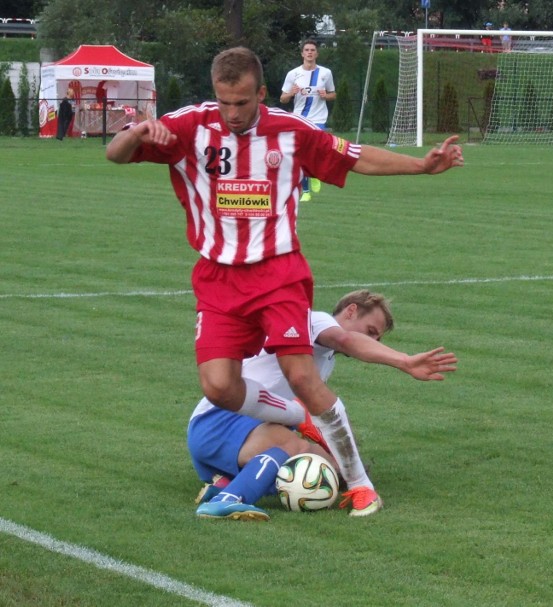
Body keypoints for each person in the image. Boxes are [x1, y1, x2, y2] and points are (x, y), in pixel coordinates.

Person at [105, 46, 463, 519]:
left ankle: (361, 487)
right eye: (224, 101)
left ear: (262, 93)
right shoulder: (190, 126)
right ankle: (299, 421)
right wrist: (136, 133)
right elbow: (114, 154)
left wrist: (421, 164)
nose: (232, 113)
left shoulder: (292, 133)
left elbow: (356, 158)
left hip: (279, 274)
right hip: (217, 278)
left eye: (243, 102)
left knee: (301, 374)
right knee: (217, 387)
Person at [190, 290, 458, 521]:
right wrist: (404, 361)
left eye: (377, 339)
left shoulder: (324, 360)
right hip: (219, 420)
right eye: (371, 332)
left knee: (332, 469)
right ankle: (227, 499)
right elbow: (346, 340)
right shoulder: (317, 322)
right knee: (290, 446)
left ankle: (224, 484)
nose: (372, 342)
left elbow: (310, 414)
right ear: (351, 311)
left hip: (240, 434)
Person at [280, 39, 336, 202]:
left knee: (316, 150)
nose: (310, 52)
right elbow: (283, 99)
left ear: (317, 53)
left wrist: (327, 96)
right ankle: (305, 191)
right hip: (299, 118)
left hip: (318, 118)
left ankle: (315, 174)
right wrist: (291, 93)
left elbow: (333, 94)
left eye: (312, 50)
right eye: (307, 50)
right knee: (301, 153)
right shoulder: (293, 74)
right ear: (302, 53)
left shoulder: (325, 73)